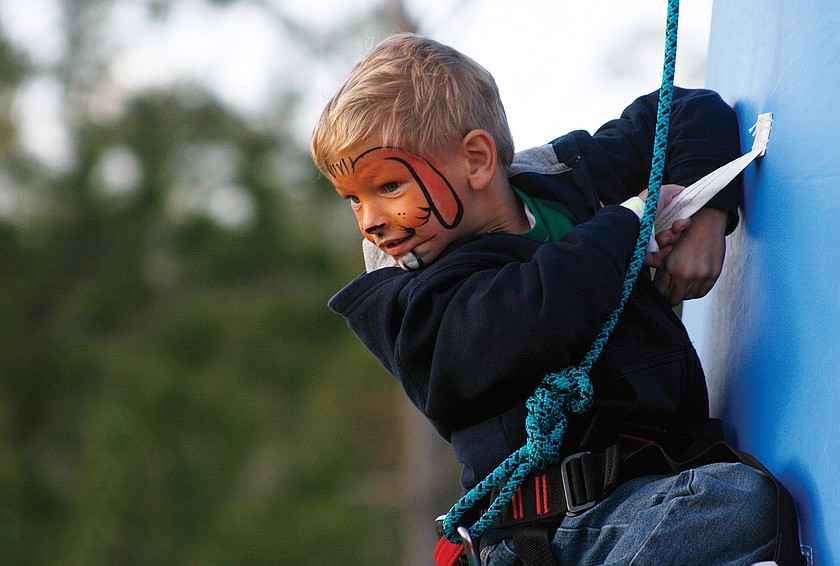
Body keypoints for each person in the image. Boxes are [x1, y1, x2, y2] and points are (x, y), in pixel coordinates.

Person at [311, 33, 797, 566]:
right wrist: (633, 220)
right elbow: (531, 313)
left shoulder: (566, 180)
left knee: (736, 498)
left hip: (652, 497)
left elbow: (685, 112)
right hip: (551, 536)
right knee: (737, 503)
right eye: (354, 199)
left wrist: (705, 212)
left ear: (476, 159)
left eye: (388, 188)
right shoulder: (408, 301)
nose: (370, 220)